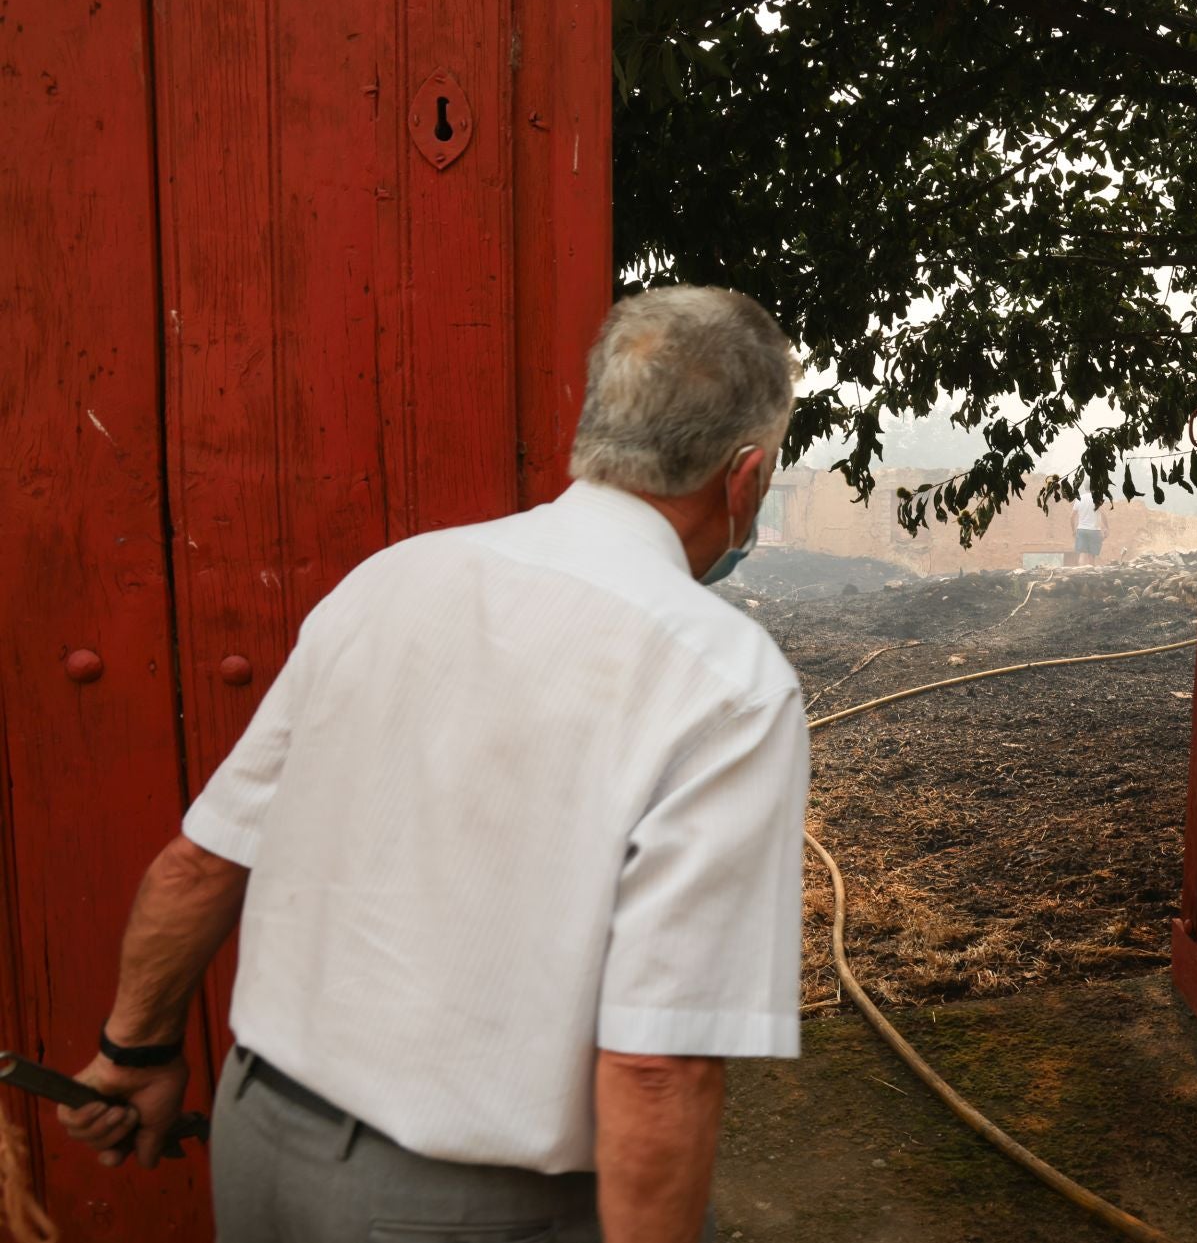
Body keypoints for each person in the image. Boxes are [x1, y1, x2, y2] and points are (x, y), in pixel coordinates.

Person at [56, 287, 809, 1243]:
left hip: (260, 1149)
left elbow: (200, 862)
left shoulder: (393, 577)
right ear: (743, 480)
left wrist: (134, 1047)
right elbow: (658, 1065)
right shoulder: (726, 683)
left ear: (599, 433)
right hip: (471, 1209)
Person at [1072, 491, 1109, 565]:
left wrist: (1073, 530)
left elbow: (1072, 516)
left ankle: (1080, 573)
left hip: (1082, 529)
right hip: (1094, 531)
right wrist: (1106, 527)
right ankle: (1091, 575)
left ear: (1085, 488)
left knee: (1082, 554)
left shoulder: (1079, 499)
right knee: (1091, 555)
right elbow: (1103, 514)